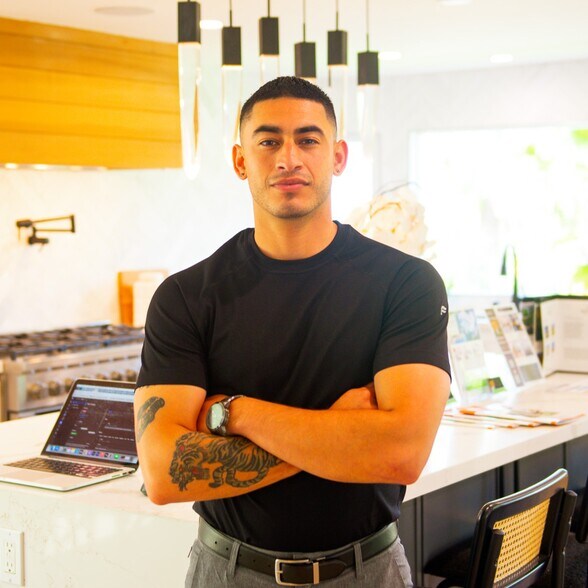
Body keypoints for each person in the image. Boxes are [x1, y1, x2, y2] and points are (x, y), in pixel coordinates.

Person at [134, 76, 451, 587]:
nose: (288, 158)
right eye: (268, 141)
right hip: (228, 572)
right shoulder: (185, 297)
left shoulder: (405, 283)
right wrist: (338, 436)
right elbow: (164, 472)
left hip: (366, 571)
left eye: (308, 139)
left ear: (338, 156)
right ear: (241, 161)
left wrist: (234, 413)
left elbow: (400, 454)